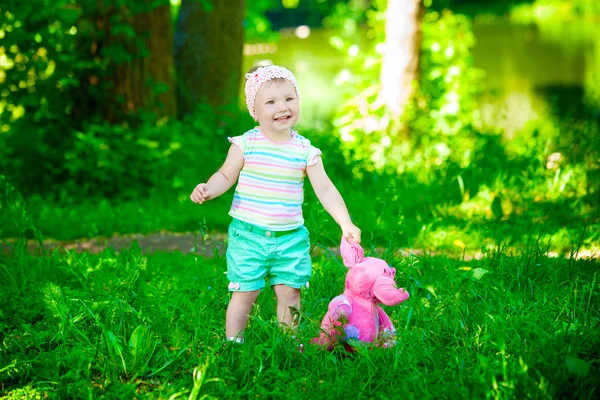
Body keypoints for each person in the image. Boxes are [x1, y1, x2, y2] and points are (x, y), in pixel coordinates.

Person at [190, 64, 361, 343]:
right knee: (245, 292)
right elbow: (225, 175)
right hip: (249, 235)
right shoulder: (246, 144)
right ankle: (234, 344)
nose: (282, 107)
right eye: (270, 102)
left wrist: (346, 222)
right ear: (255, 112)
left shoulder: (305, 150)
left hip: (290, 237)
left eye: (289, 99)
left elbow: (326, 189)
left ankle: (287, 344)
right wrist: (209, 189)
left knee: (290, 293)